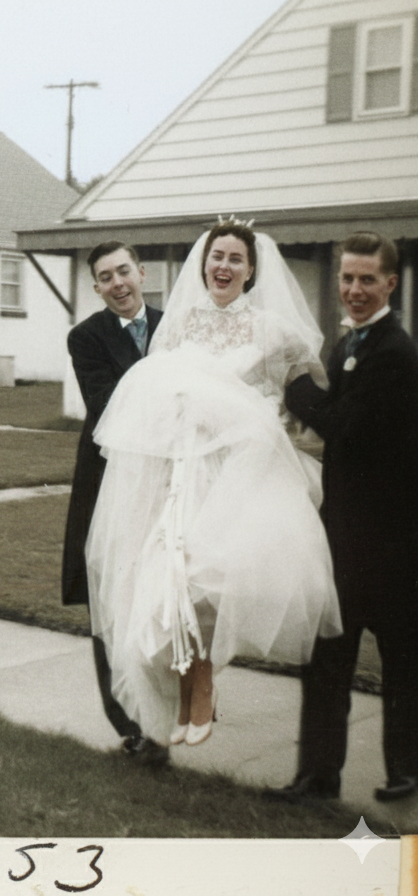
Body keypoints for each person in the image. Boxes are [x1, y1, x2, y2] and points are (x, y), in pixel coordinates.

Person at [86, 220, 342, 747]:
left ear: (250, 271)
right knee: (170, 581)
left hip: (238, 472)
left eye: (235, 259)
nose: (223, 266)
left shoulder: (272, 330)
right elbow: (155, 396)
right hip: (180, 470)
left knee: (210, 583)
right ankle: (187, 688)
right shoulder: (179, 327)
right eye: (215, 257)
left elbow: (297, 397)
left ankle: (203, 685)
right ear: (203, 265)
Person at [274, 232, 418, 803]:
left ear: (391, 283)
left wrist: (295, 387)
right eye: (347, 279)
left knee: (404, 660)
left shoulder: (395, 353)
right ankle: (316, 778)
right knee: (328, 654)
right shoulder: (349, 345)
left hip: (395, 539)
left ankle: (405, 771)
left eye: (366, 280)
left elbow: (344, 428)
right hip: (345, 534)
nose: (354, 290)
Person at [62, 241, 166, 764]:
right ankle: (128, 720)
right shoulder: (86, 338)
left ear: (141, 273)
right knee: (112, 596)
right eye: (106, 277)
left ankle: (171, 708)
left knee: (166, 594)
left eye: (124, 271)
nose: (118, 283)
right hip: (110, 480)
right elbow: (108, 404)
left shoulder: (176, 328)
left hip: (169, 482)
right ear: (98, 288)